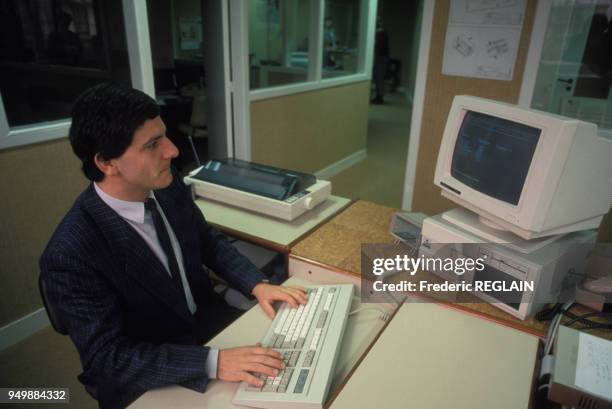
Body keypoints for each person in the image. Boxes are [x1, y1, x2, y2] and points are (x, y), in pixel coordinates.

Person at [39, 83, 307, 409]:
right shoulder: (70, 254)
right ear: (107, 163)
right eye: (153, 144)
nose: (172, 151)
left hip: (207, 324)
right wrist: (213, 363)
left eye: (164, 136)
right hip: (148, 372)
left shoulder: (165, 183)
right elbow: (109, 359)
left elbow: (204, 238)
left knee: (291, 370)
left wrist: (256, 283)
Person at [371, 16, 389, 104]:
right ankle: (378, 96)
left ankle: (380, 98)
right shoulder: (379, 33)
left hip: (381, 58)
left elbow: (379, 47)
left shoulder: (381, 33)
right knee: (377, 77)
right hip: (380, 57)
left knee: (380, 78)